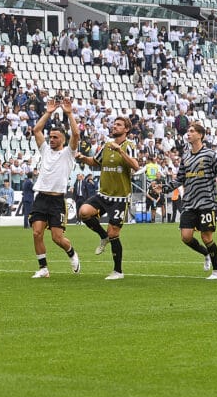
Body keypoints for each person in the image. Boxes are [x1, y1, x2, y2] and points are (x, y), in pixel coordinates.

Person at [75, 115, 139, 279]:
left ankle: (118, 271)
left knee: (114, 233)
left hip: (120, 198)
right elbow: (95, 162)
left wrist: (121, 152)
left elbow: (135, 166)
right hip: (103, 194)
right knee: (83, 212)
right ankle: (103, 236)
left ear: (126, 129)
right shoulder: (106, 146)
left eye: (118, 125)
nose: (114, 126)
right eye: (114, 124)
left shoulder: (130, 146)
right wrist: (83, 158)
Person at [27, 99, 81, 278]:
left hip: (57, 200)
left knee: (57, 238)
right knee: (36, 233)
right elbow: (36, 130)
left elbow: (76, 134)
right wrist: (48, 112)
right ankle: (43, 268)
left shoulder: (68, 153)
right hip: (41, 197)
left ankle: (72, 253)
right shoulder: (45, 150)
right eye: (50, 137)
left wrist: (69, 113)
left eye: (55, 137)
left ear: (63, 140)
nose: (51, 139)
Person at [169, 122, 217, 279]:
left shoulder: (209, 154)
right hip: (189, 202)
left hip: (206, 202)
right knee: (186, 237)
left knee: (206, 237)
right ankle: (205, 253)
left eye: (192, 131)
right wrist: (165, 188)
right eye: (188, 131)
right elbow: (180, 178)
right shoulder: (185, 156)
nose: (189, 133)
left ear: (200, 135)